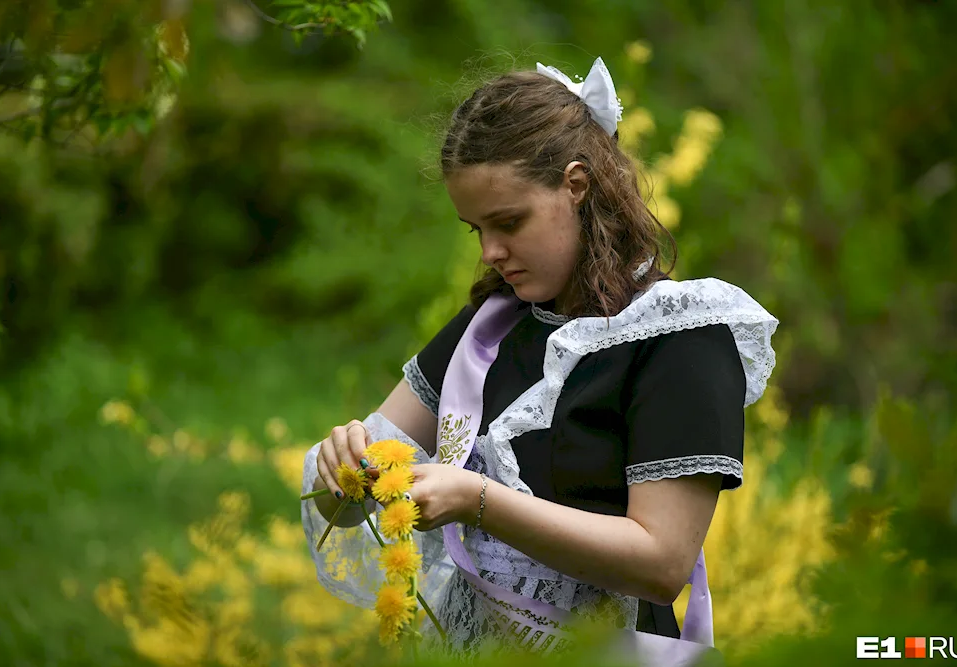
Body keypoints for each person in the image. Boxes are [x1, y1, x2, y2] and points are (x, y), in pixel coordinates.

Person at [302, 56, 778, 661]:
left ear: (575, 185)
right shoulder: (491, 326)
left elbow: (661, 562)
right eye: (476, 229)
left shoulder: (681, 337)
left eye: (509, 222)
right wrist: (341, 470)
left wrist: (479, 501)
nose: (493, 251)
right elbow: (350, 504)